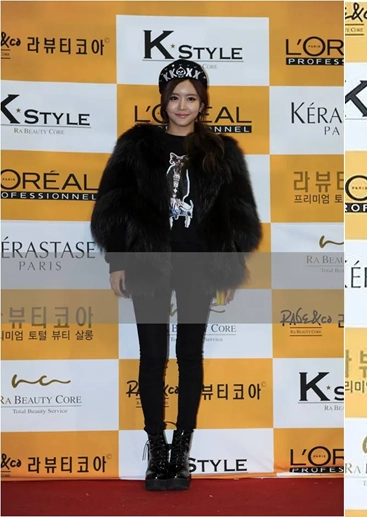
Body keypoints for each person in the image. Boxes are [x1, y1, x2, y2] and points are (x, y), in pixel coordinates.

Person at [89, 58, 262, 491]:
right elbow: (113, 206)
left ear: (203, 103)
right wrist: (117, 260)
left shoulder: (222, 151)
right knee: (152, 357)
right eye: (174, 98)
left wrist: (228, 267)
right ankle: (157, 450)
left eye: (191, 98)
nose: (182, 106)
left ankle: (181, 449)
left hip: (198, 266)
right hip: (148, 262)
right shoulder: (137, 145)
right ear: (162, 102)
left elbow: (239, 215)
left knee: (189, 355)